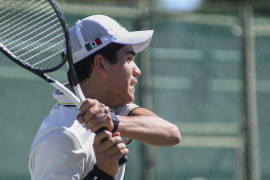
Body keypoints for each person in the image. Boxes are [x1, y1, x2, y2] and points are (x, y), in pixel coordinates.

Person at [29, 15, 181, 180]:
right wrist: (103, 173)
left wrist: (113, 121)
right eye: (129, 59)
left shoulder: (113, 106)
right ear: (101, 63)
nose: (137, 70)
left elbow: (171, 133)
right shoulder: (61, 136)